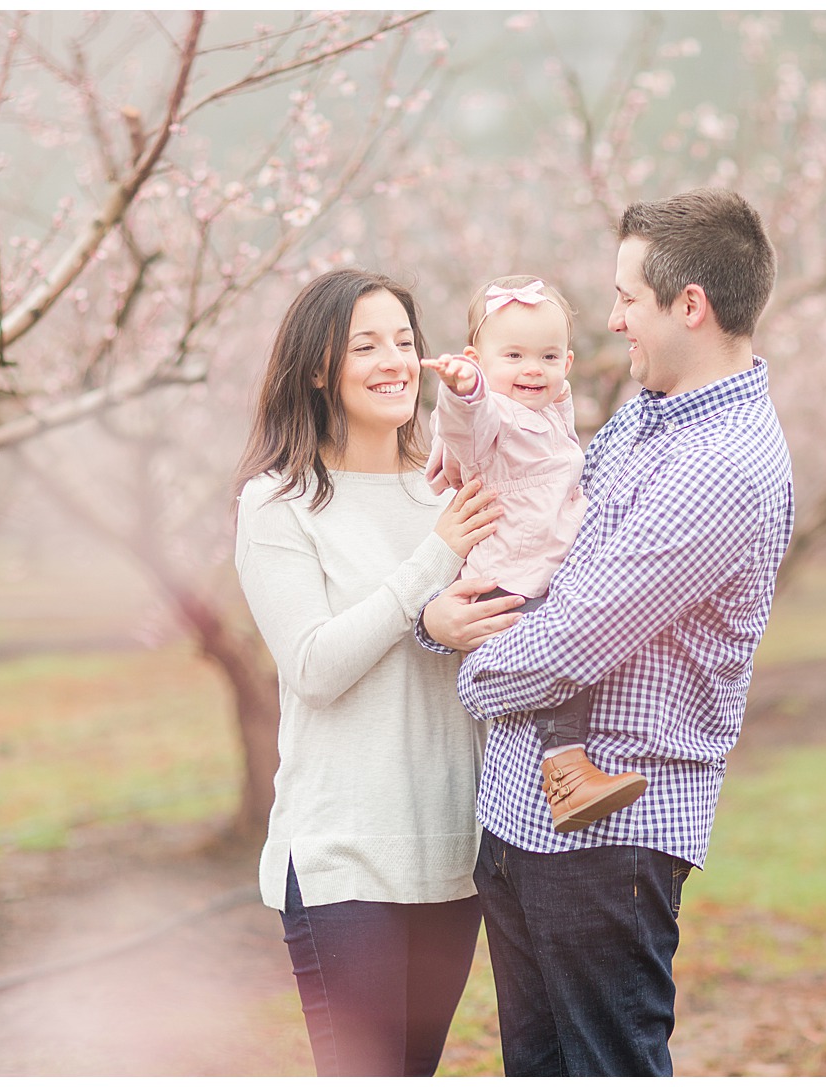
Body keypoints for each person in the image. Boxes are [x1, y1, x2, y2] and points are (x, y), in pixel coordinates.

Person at [418, 189, 796, 1076]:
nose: (616, 319)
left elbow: (569, 642)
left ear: (689, 305)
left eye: (629, 297)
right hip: (523, 816)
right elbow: (549, 531)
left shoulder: (721, 465)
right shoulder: (645, 417)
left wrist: (454, 652)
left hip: (605, 838)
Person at [232, 268, 504, 1076]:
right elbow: (315, 665)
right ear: (319, 367)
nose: (393, 360)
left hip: (451, 852)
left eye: (403, 340)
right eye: (365, 344)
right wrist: (431, 576)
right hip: (344, 855)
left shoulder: (445, 493)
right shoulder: (279, 502)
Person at [421, 274, 649, 833]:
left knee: (572, 658)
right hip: (512, 576)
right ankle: (566, 773)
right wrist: (464, 387)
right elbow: (467, 423)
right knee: (561, 660)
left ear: (568, 362)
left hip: (546, 567)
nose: (533, 369)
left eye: (548, 356)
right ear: (479, 359)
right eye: (514, 355)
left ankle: (564, 771)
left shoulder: (551, 409)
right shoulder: (491, 416)